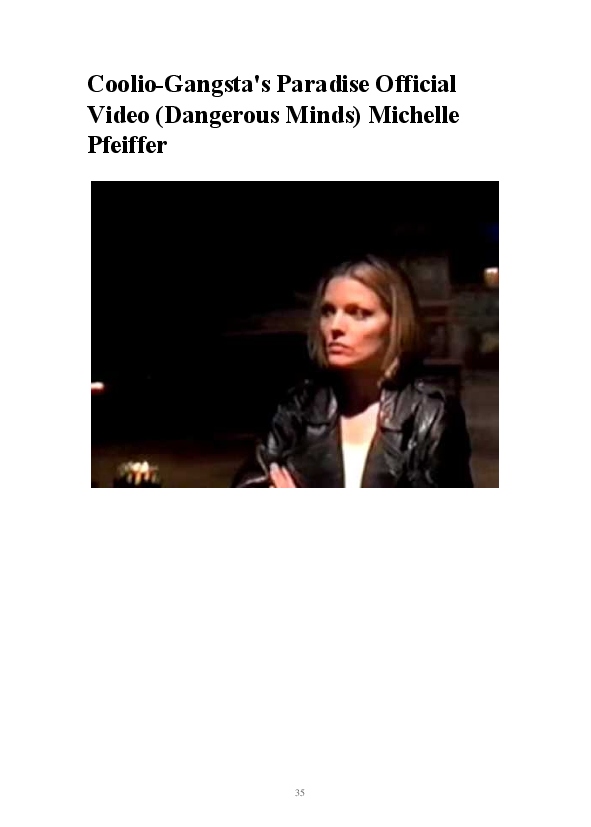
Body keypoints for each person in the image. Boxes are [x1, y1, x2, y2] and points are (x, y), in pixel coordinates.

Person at [232, 256, 473, 487]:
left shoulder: (430, 415)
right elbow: (249, 484)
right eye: (328, 312)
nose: (335, 327)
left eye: (359, 313)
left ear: (395, 324)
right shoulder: (299, 407)